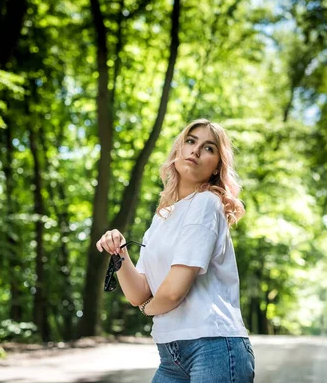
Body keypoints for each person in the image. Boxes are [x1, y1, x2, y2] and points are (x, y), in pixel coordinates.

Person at [96, 119, 255, 382]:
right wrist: (120, 252)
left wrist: (148, 309)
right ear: (177, 150)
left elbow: (171, 293)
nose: (195, 151)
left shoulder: (205, 203)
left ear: (217, 167)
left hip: (213, 347)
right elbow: (139, 293)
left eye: (208, 148)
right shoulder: (162, 218)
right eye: (190, 141)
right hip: (171, 356)